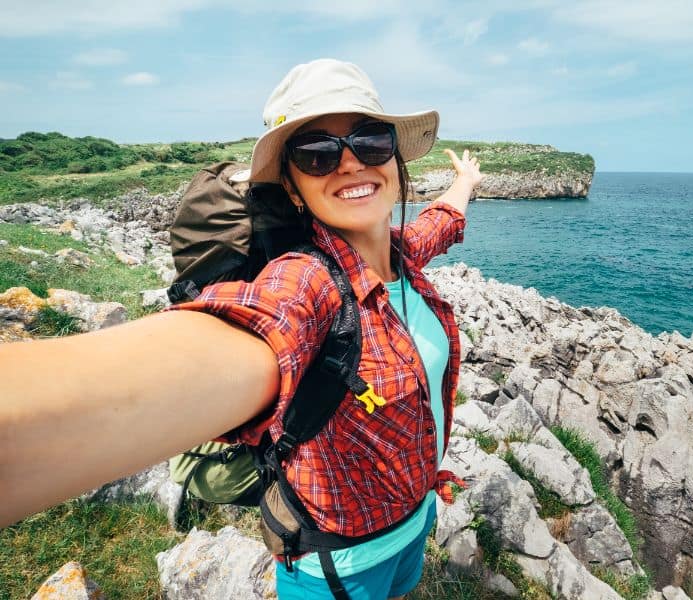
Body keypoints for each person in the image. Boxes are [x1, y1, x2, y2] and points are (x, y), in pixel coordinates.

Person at [0, 58, 482, 599]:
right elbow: (252, 336)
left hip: (413, 526)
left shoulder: (399, 256)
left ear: (393, 160)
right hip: (338, 566)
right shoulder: (306, 284)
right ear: (294, 189)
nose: (349, 163)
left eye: (370, 141)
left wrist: (465, 181)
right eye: (317, 153)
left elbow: (438, 226)